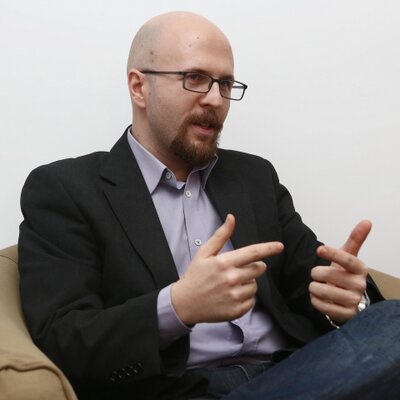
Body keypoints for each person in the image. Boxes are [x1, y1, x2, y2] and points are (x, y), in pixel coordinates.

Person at [18, 11, 399, 400]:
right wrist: (177, 307)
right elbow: (63, 339)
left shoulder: (253, 177)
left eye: (226, 83)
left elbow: (313, 279)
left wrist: (351, 301)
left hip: (297, 373)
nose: (216, 99)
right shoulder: (66, 189)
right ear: (138, 87)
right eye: (195, 78)